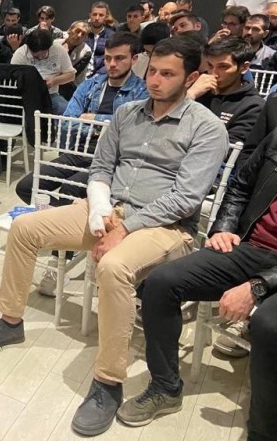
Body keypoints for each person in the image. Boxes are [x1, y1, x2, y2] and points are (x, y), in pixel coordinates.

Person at [0, 37, 229, 437]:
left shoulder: (207, 128)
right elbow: (101, 169)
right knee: (25, 227)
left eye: (167, 74)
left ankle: (108, 382)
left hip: (166, 226)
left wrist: (124, 228)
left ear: (191, 78)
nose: (155, 81)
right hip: (109, 210)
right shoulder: (126, 113)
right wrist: (103, 211)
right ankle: (10, 321)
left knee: (114, 267)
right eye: (152, 72)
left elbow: (186, 199)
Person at [117, 129, 277, 441]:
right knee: (161, 282)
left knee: (268, 326)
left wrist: (257, 286)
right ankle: (165, 387)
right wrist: (223, 227)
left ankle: (263, 431)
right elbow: (241, 186)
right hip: (250, 247)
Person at [16, 32, 149, 296]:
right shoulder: (92, 84)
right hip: (78, 151)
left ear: (134, 59)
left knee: (70, 191)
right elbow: (69, 119)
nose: (112, 64)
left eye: (119, 58)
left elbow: (133, 129)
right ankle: (61, 230)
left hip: (112, 162)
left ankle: (58, 259)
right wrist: (105, 122)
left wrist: (95, 118)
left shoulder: (141, 91)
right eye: (108, 58)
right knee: (27, 186)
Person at [187, 37, 263, 144]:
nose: (213, 74)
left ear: (244, 67)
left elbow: (230, 148)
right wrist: (190, 95)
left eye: (223, 67)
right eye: (210, 65)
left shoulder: (253, 106)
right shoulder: (197, 90)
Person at [11, 27, 76, 115]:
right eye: (36, 56)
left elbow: (71, 75)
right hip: (26, 96)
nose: (41, 57)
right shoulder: (20, 54)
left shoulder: (58, 49)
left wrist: (54, 80)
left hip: (51, 94)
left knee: (68, 112)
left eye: (44, 54)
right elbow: (13, 81)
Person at [59, 20, 93, 86]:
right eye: (77, 31)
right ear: (69, 30)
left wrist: (65, 55)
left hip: (70, 85)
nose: (79, 35)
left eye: (83, 34)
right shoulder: (56, 42)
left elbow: (70, 76)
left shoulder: (87, 52)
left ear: (85, 38)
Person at [86, 1, 113, 77]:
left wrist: (99, 74)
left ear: (106, 17)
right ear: (90, 15)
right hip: (78, 74)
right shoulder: (82, 33)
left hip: (100, 76)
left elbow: (112, 59)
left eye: (101, 15)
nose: (97, 18)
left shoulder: (112, 36)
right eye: (94, 14)